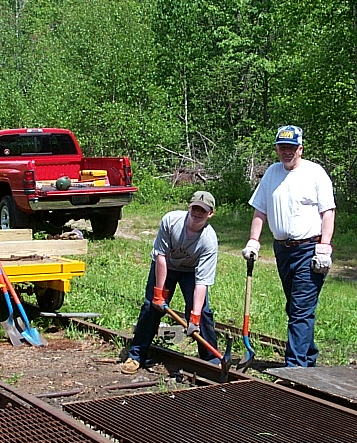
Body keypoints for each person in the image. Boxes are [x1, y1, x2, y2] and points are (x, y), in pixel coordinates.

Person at [242, 125, 335, 367]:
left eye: (291, 148)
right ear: (276, 149)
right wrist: (254, 240)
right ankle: (308, 356)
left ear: (300, 149)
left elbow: (328, 212)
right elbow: (260, 210)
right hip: (283, 250)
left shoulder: (315, 173)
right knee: (295, 307)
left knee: (300, 309)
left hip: (309, 249)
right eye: (282, 147)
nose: (287, 152)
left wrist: (324, 247)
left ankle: (295, 367)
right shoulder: (272, 174)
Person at [121, 191, 219, 374]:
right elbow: (161, 257)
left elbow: (202, 282)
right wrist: (159, 294)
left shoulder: (209, 241)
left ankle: (211, 360)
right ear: (189, 207)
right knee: (152, 307)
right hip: (165, 265)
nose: (198, 213)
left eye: (203, 211)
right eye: (195, 208)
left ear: (210, 214)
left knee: (203, 313)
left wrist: (194, 317)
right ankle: (135, 355)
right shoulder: (171, 221)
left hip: (191, 272)